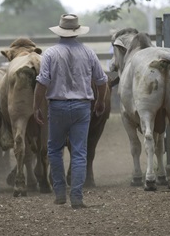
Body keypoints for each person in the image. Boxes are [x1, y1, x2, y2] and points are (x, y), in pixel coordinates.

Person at [33, 14, 108, 209]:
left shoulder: (50, 53)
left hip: (57, 106)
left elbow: (42, 82)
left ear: (60, 30)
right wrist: (100, 101)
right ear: (76, 32)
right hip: (83, 106)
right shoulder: (88, 52)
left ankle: (59, 192)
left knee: (54, 150)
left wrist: (36, 106)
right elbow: (102, 81)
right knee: (79, 152)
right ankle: (76, 196)